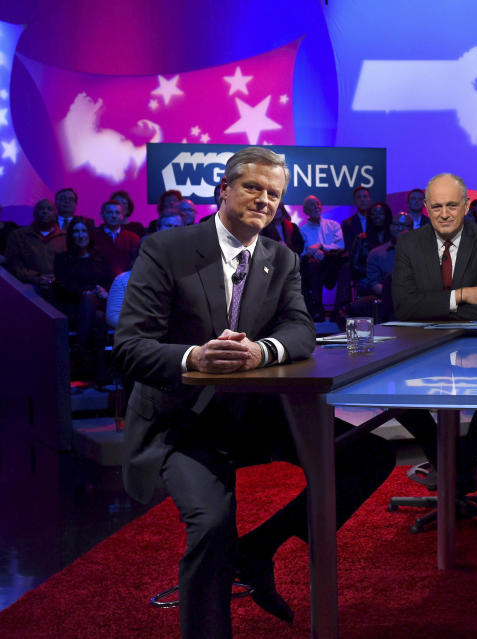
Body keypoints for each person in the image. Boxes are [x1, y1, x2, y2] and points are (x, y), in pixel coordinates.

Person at [114, 147, 395, 638]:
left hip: (253, 414)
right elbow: (131, 346)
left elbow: (299, 330)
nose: (264, 200)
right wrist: (194, 358)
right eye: (253, 188)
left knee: (367, 455)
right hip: (183, 420)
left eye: (273, 194)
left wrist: (262, 352)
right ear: (224, 189)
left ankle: (260, 548)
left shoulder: (280, 257)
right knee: (212, 524)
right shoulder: (168, 249)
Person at [392, 172, 477, 494]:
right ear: (426, 208)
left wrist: (430, 304)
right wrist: (460, 296)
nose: (444, 214)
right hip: (421, 346)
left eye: (452, 206)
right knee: (392, 393)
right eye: (437, 207)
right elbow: (403, 307)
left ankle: (465, 459)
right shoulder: (409, 243)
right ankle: (442, 457)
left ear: (467, 205)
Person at [54, 217, 112, 383]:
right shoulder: (63, 258)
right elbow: (61, 285)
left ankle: (79, 352)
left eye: (84, 231)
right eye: (76, 231)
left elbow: (109, 281)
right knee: (98, 316)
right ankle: (101, 370)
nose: (80, 235)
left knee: (96, 309)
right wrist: (84, 293)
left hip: (98, 302)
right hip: (73, 304)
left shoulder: (101, 257)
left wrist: (103, 290)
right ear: (71, 235)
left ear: (90, 234)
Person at [4, 198, 67, 297]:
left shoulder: (65, 238)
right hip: (27, 290)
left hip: (60, 291)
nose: (45, 211)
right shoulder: (18, 235)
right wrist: (37, 278)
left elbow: (71, 266)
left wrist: (56, 279)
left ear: (56, 214)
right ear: (34, 213)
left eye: (49, 209)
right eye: (41, 209)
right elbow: (13, 264)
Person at [298, 195, 346, 320]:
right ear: (305, 211)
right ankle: (317, 307)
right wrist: (313, 252)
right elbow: (304, 252)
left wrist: (320, 246)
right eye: (312, 205)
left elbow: (340, 245)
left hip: (333, 264)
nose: (316, 207)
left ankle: (339, 308)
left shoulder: (333, 225)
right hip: (314, 267)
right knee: (313, 264)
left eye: (318, 204)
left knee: (346, 267)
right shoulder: (302, 230)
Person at [93, 199, 141, 279]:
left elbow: (138, 264)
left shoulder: (133, 238)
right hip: (99, 282)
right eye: (109, 212)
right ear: (102, 215)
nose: (114, 216)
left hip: (126, 283)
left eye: (117, 213)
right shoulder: (93, 238)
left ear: (122, 216)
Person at [349, 201, 391, 282]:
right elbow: (354, 265)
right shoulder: (361, 238)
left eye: (381, 213)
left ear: (387, 216)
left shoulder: (393, 239)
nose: (377, 216)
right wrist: (373, 272)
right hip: (367, 279)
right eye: (374, 214)